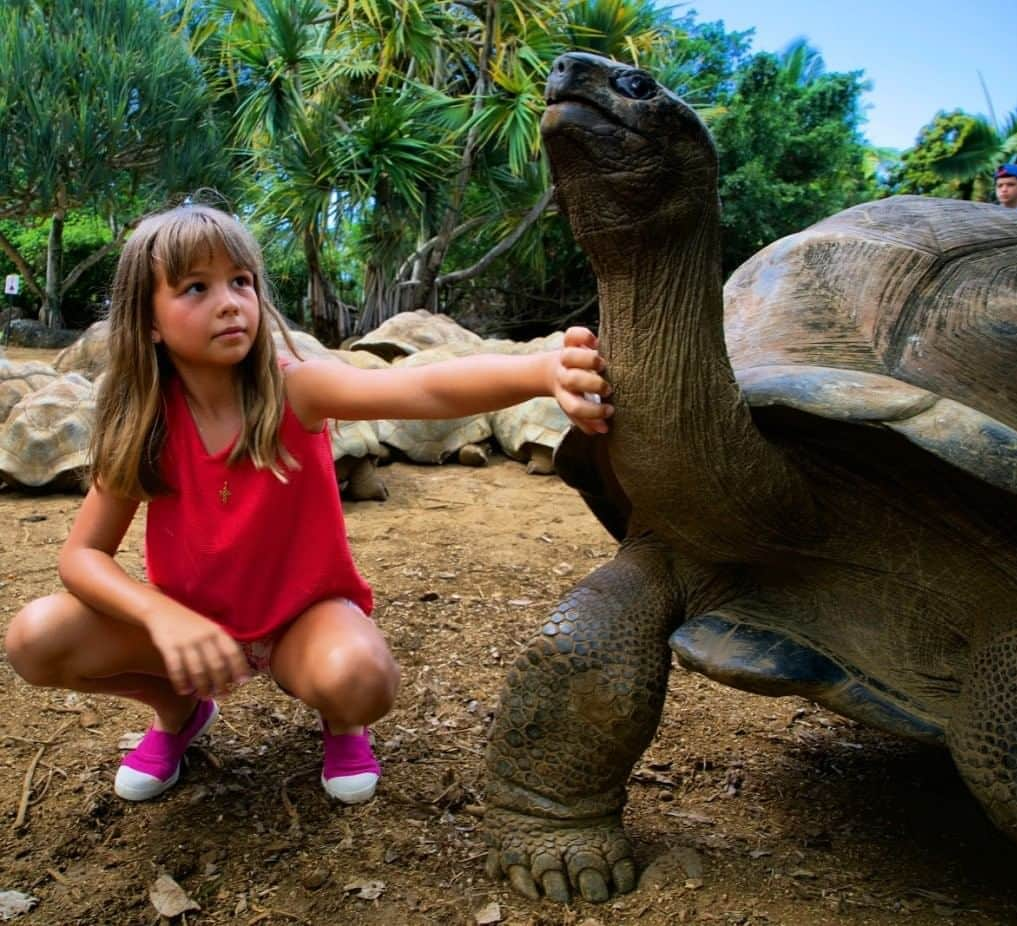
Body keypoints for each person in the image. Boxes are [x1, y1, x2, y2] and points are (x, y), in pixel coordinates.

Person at [3, 204, 613, 804]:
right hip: (191, 628)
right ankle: (178, 710)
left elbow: (417, 387)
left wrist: (540, 370)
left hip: (301, 618)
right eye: (195, 287)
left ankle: (343, 722)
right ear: (150, 320)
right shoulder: (144, 421)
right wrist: (164, 617)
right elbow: (82, 557)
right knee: (37, 637)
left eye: (240, 281)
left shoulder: (296, 388)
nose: (228, 301)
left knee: (360, 679)